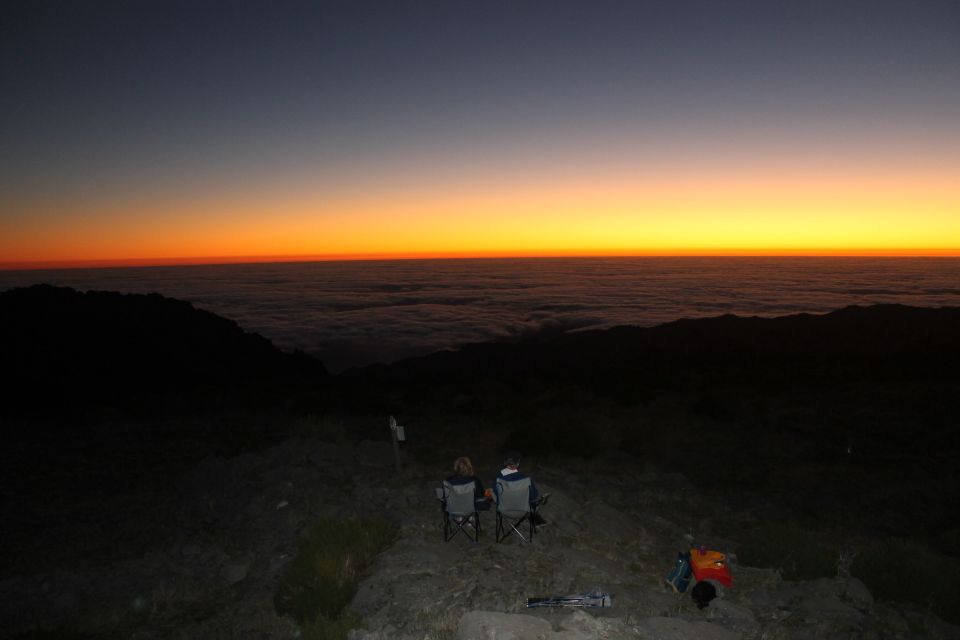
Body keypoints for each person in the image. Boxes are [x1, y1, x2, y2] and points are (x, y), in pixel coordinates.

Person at [494, 450, 547, 524]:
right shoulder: (526, 479)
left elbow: (496, 494)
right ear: (518, 463)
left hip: (505, 511)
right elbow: (534, 496)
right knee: (533, 498)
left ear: (504, 462)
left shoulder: (498, 478)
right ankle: (536, 514)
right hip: (523, 511)